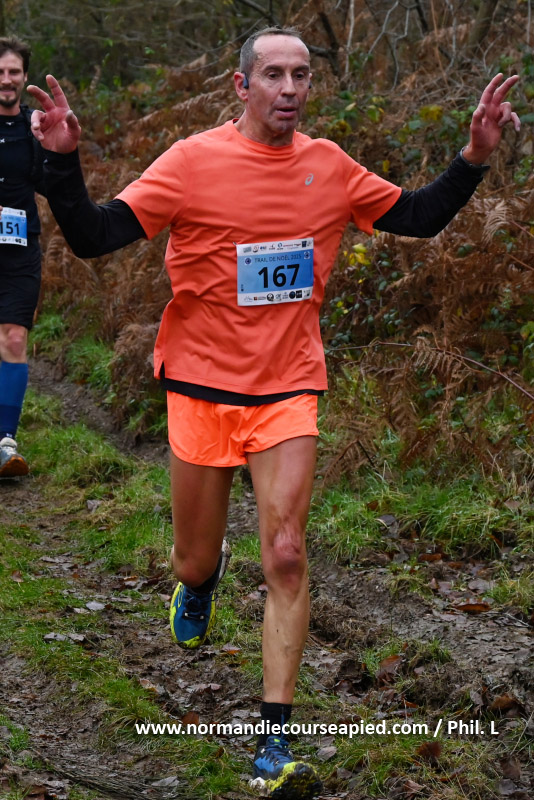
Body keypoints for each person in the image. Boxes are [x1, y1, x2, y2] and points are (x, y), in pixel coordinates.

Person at [27, 27, 519, 799]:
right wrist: (62, 162)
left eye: (301, 75)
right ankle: (198, 584)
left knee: (287, 553)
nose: (290, 89)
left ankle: (273, 742)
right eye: (274, 75)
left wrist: (474, 158)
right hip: (200, 389)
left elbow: (419, 217)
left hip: (288, 388)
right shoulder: (191, 162)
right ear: (241, 85)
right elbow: (94, 237)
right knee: (194, 559)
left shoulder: (330, 167)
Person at [0, 36, 45, 478]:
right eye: (0, 72)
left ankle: (5, 441)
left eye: (13, 71)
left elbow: (58, 181)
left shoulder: (35, 127)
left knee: (14, 339)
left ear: (24, 77)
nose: (6, 79)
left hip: (20, 250)